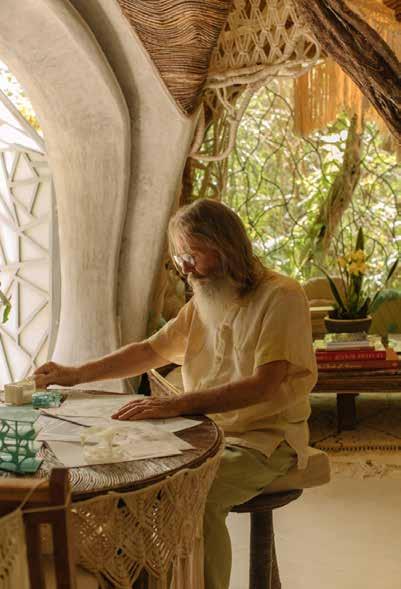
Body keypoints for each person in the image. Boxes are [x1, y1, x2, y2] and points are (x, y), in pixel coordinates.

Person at [34, 198, 317, 589]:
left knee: (193, 494)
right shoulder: (205, 299)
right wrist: (75, 374)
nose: (185, 268)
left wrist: (176, 404)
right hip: (202, 432)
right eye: (180, 258)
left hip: (264, 440)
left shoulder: (281, 296)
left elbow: (263, 385)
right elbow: (150, 351)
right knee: (130, 480)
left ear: (225, 247)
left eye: (192, 256)